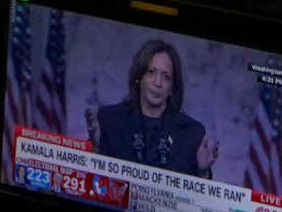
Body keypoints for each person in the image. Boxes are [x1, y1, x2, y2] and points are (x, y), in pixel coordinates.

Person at [92, 39, 216, 178]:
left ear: (172, 88)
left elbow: (196, 197)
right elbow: (94, 184)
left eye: (166, 76)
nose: (158, 83)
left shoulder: (192, 134)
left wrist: (202, 172)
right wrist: (96, 151)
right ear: (139, 78)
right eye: (151, 72)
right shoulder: (109, 120)